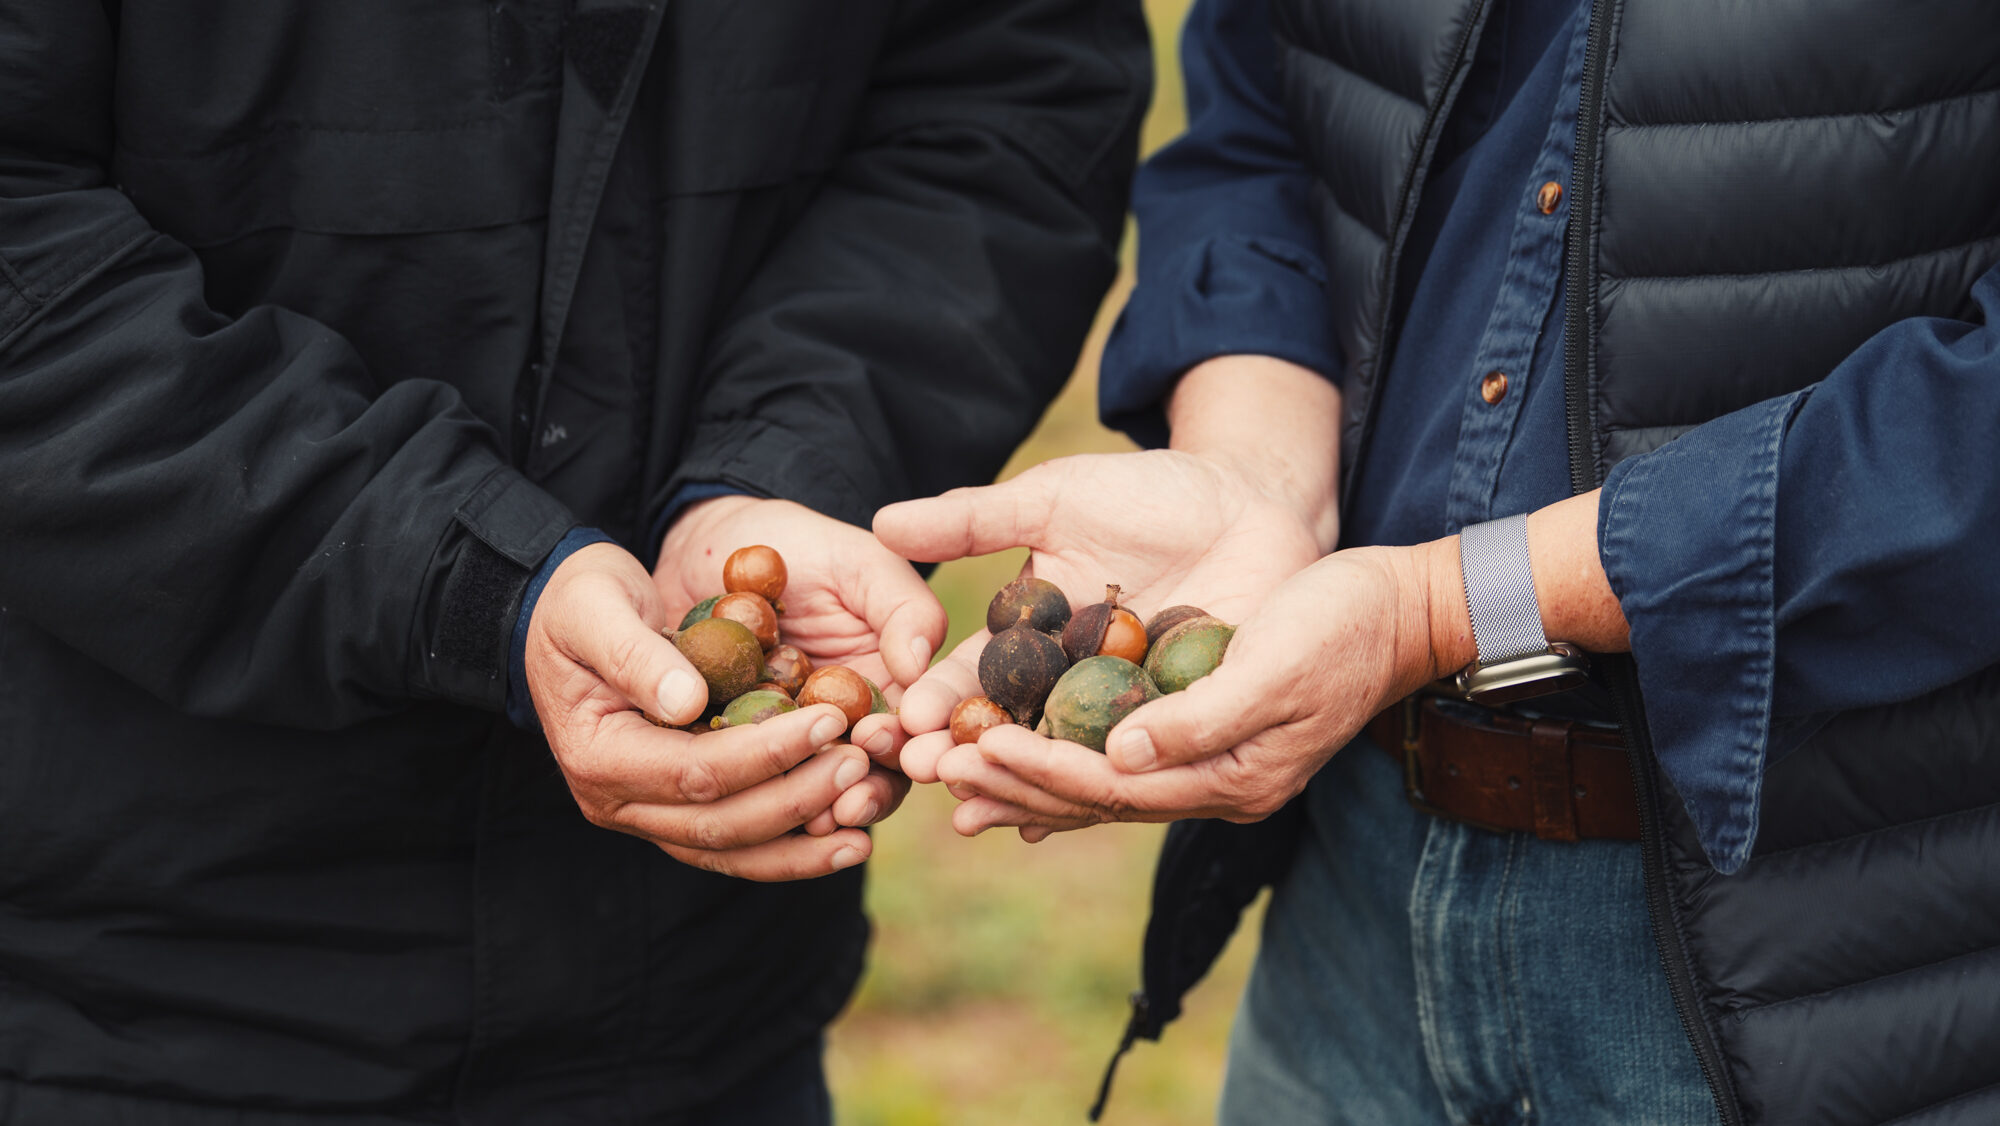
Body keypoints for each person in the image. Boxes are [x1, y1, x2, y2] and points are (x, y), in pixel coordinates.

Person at [0, 2, 1145, 1122]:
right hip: (132, 984)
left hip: (688, 1006)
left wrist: (784, 467)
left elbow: (1005, 92)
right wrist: (467, 580)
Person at [877, 0, 2000, 1123]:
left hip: (1827, 927)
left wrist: (1439, 606)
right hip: (1360, 888)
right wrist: (1255, 467)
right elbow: (1261, 90)